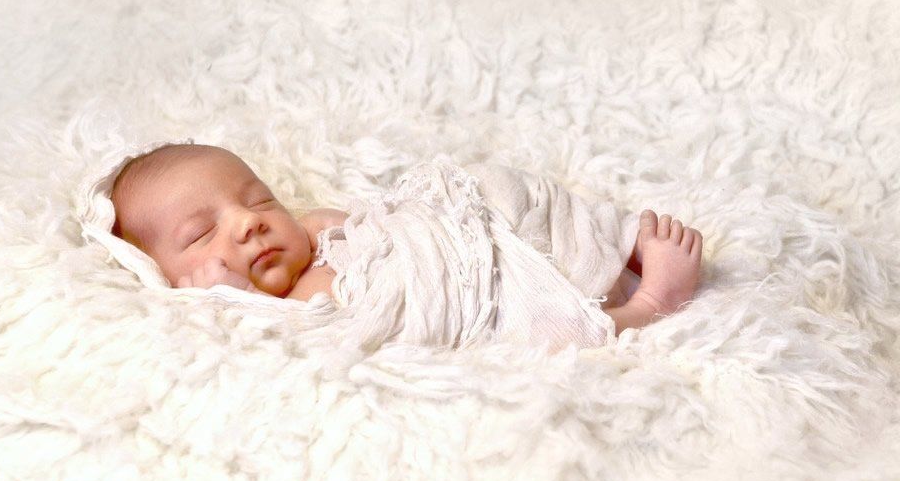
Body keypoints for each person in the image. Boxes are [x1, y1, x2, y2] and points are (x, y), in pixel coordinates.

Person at [110, 143, 702, 337]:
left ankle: (617, 237)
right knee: (535, 331)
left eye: (259, 199)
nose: (247, 221)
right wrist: (227, 300)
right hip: (468, 303)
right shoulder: (259, 316)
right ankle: (649, 304)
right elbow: (278, 342)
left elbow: (383, 219)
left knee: (494, 185)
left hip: (459, 238)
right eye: (202, 232)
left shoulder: (315, 231)